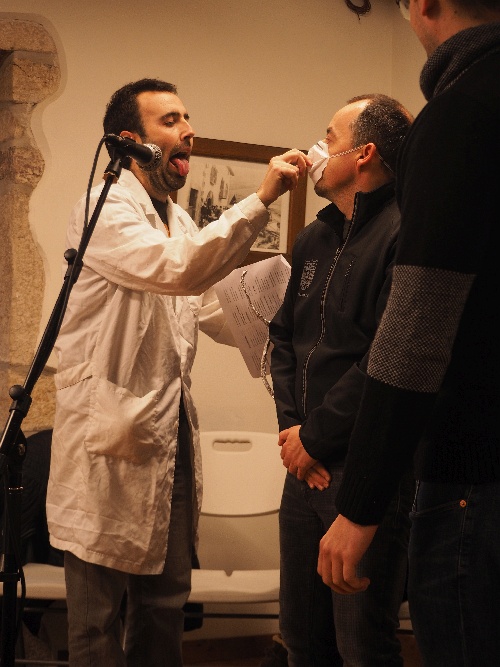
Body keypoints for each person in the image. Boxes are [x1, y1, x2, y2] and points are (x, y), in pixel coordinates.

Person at [45, 78, 308, 667]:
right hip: (108, 440)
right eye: (170, 120)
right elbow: (178, 271)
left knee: (164, 605)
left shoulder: (180, 220)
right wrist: (259, 201)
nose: (188, 129)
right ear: (131, 141)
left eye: (187, 117)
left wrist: (302, 326)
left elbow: (214, 309)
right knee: (96, 621)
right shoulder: (103, 209)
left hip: (169, 439)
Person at [317, 2, 500, 666]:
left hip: (474, 468)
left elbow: (417, 326)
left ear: (424, 4)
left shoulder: (461, 111)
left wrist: (361, 501)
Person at [269, 94, 413, 666]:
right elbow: (284, 339)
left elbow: (384, 356)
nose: (317, 147)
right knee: (301, 640)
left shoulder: (403, 232)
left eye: (329, 136)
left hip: (363, 467)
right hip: (302, 466)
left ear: (364, 153)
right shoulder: (315, 236)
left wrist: (314, 437)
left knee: (362, 647)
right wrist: (293, 433)